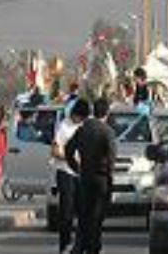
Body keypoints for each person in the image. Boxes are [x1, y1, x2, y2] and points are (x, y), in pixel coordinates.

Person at [66, 98, 117, 254]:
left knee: (84, 215)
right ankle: (93, 246)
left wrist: (76, 168)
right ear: (106, 113)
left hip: (85, 177)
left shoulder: (82, 129)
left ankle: (81, 245)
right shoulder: (107, 131)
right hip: (101, 178)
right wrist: (110, 175)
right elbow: (111, 156)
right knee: (97, 216)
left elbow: (68, 150)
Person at [52, 99, 91, 253]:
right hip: (66, 172)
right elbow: (55, 150)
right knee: (66, 210)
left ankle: (81, 244)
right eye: (78, 117)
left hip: (82, 173)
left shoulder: (86, 126)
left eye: (83, 119)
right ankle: (64, 243)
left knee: (83, 210)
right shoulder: (64, 126)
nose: (79, 121)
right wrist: (70, 158)